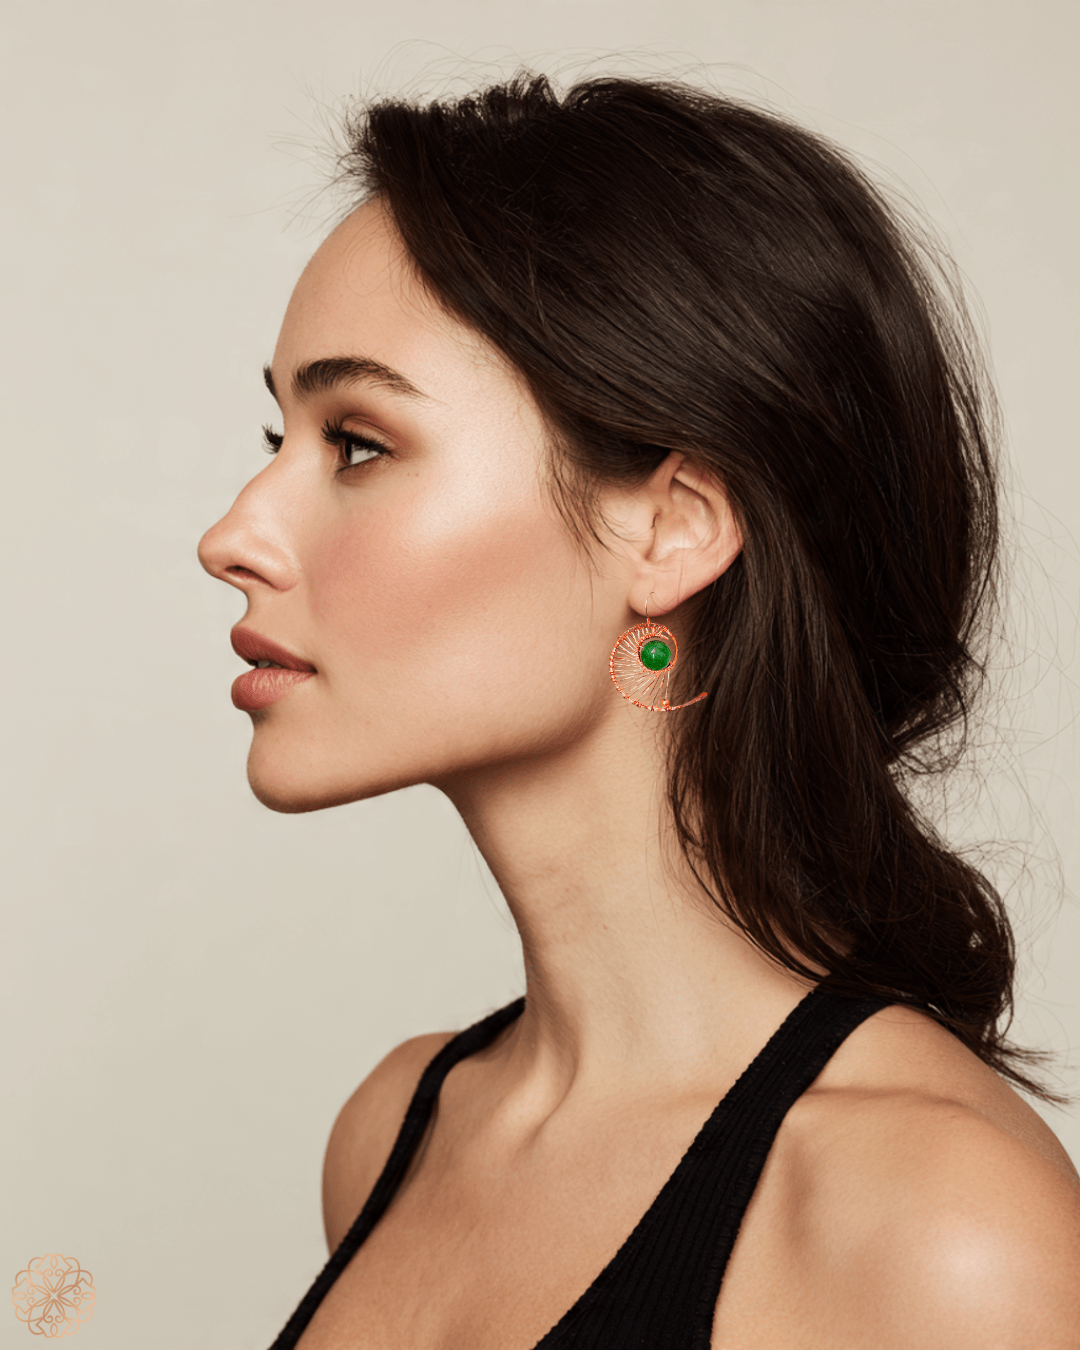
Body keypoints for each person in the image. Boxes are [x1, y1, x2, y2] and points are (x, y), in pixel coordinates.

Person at [198, 72, 1080, 1349]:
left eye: (358, 444)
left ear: (670, 530)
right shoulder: (393, 1133)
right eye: (274, 437)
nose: (233, 536)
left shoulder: (940, 1234)